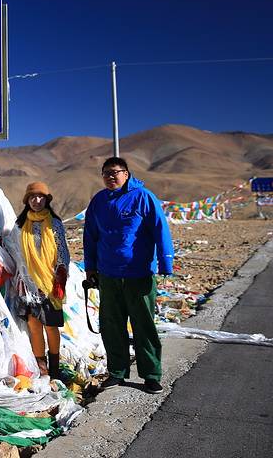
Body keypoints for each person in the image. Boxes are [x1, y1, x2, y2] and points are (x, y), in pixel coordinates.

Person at [83, 157, 174, 394]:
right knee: (112, 326)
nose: (110, 177)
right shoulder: (98, 201)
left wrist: (166, 262)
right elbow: (90, 236)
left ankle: (151, 375)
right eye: (106, 173)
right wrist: (90, 267)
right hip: (108, 275)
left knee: (143, 325)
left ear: (126, 173)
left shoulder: (143, 197)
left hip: (139, 274)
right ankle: (117, 372)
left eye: (115, 172)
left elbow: (160, 229)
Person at [11, 181, 70, 379]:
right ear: (27, 200)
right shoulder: (19, 226)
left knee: (51, 326)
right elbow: (17, 255)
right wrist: (26, 281)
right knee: (34, 326)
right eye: (33, 197)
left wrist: (60, 277)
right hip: (28, 285)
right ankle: (42, 370)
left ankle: (55, 369)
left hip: (50, 283)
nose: (37, 201)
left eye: (41, 197)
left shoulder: (55, 224)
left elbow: (63, 253)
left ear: (47, 200)